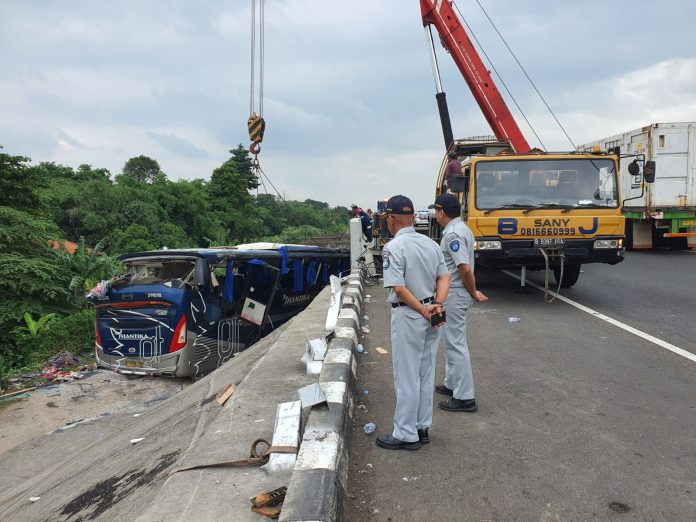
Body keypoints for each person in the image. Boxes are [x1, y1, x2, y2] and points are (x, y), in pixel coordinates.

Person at [377, 195, 450, 451]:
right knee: (425, 372)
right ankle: (421, 427)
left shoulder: (393, 248)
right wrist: (437, 305)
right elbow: (444, 277)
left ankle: (405, 434)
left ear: (392, 219)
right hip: (433, 311)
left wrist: (421, 310)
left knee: (406, 375)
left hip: (410, 314)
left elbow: (398, 288)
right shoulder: (430, 244)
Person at [429, 193, 488, 413]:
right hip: (455, 293)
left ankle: (465, 397)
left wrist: (472, 291)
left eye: (436, 211)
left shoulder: (452, 234)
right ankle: (452, 384)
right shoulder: (461, 229)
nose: (435, 215)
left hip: (454, 293)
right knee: (452, 341)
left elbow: (464, 267)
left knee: (456, 344)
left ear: (441, 212)